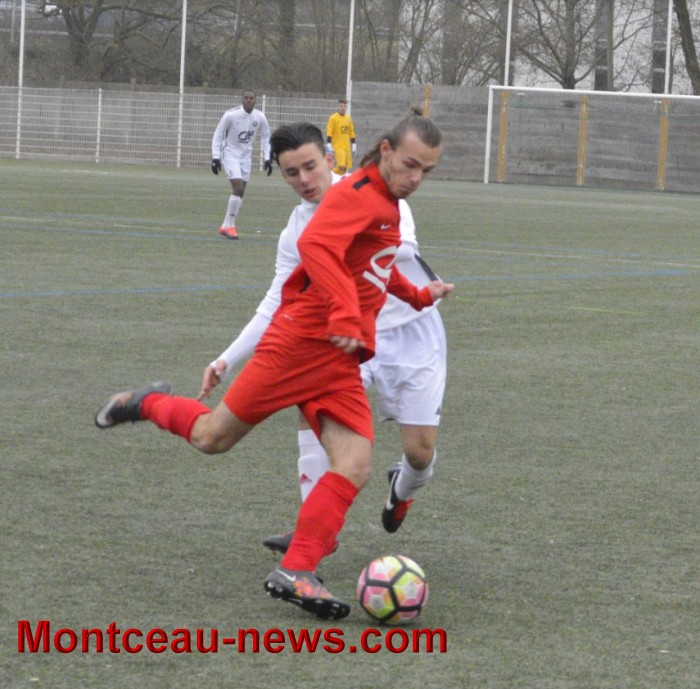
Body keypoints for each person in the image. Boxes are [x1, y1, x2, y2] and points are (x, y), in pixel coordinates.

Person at [95, 113, 452, 621]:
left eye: (427, 171)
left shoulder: (387, 204)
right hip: (300, 344)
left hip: (339, 357)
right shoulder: (355, 195)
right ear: (387, 150)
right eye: (411, 165)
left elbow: (373, 264)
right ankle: (147, 403)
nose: (416, 178)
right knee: (212, 437)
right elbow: (316, 246)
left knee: (355, 462)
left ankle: (296, 569)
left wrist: (417, 295)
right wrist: (344, 313)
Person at [198, 120, 446, 555]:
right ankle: (313, 534)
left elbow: (389, 256)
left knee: (420, 452)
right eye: (292, 173)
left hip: (411, 333)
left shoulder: (380, 191)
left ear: (330, 159)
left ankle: (402, 488)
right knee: (312, 412)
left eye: (311, 167)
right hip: (346, 340)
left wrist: (341, 262)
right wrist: (226, 358)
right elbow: (276, 301)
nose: (305, 180)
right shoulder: (295, 232)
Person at [211, 89, 272, 240]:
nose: (248, 100)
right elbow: (218, 133)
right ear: (242, 100)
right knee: (238, 188)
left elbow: (266, 137)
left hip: (246, 157)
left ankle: (226, 225)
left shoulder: (260, 117)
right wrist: (215, 157)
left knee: (241, 191)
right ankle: (230, 226)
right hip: (230, 154)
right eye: (246, 98)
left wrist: (268, 158)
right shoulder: (231, 115)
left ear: (255, 100)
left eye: (251, 98)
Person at [325, 99, 357, 175]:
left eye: (344, 106)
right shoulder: (333, 118)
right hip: (338, 146)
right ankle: (327, 175)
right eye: (341, 106)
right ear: (338, 107)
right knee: (341, 166)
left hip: (347, 146)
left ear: (346, 108)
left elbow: (351, 132)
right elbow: (329, 131)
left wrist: (354, 144)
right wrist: (329, 143)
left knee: (345, 169)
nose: (343, 108)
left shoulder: (348, 118)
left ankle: (336, 180)